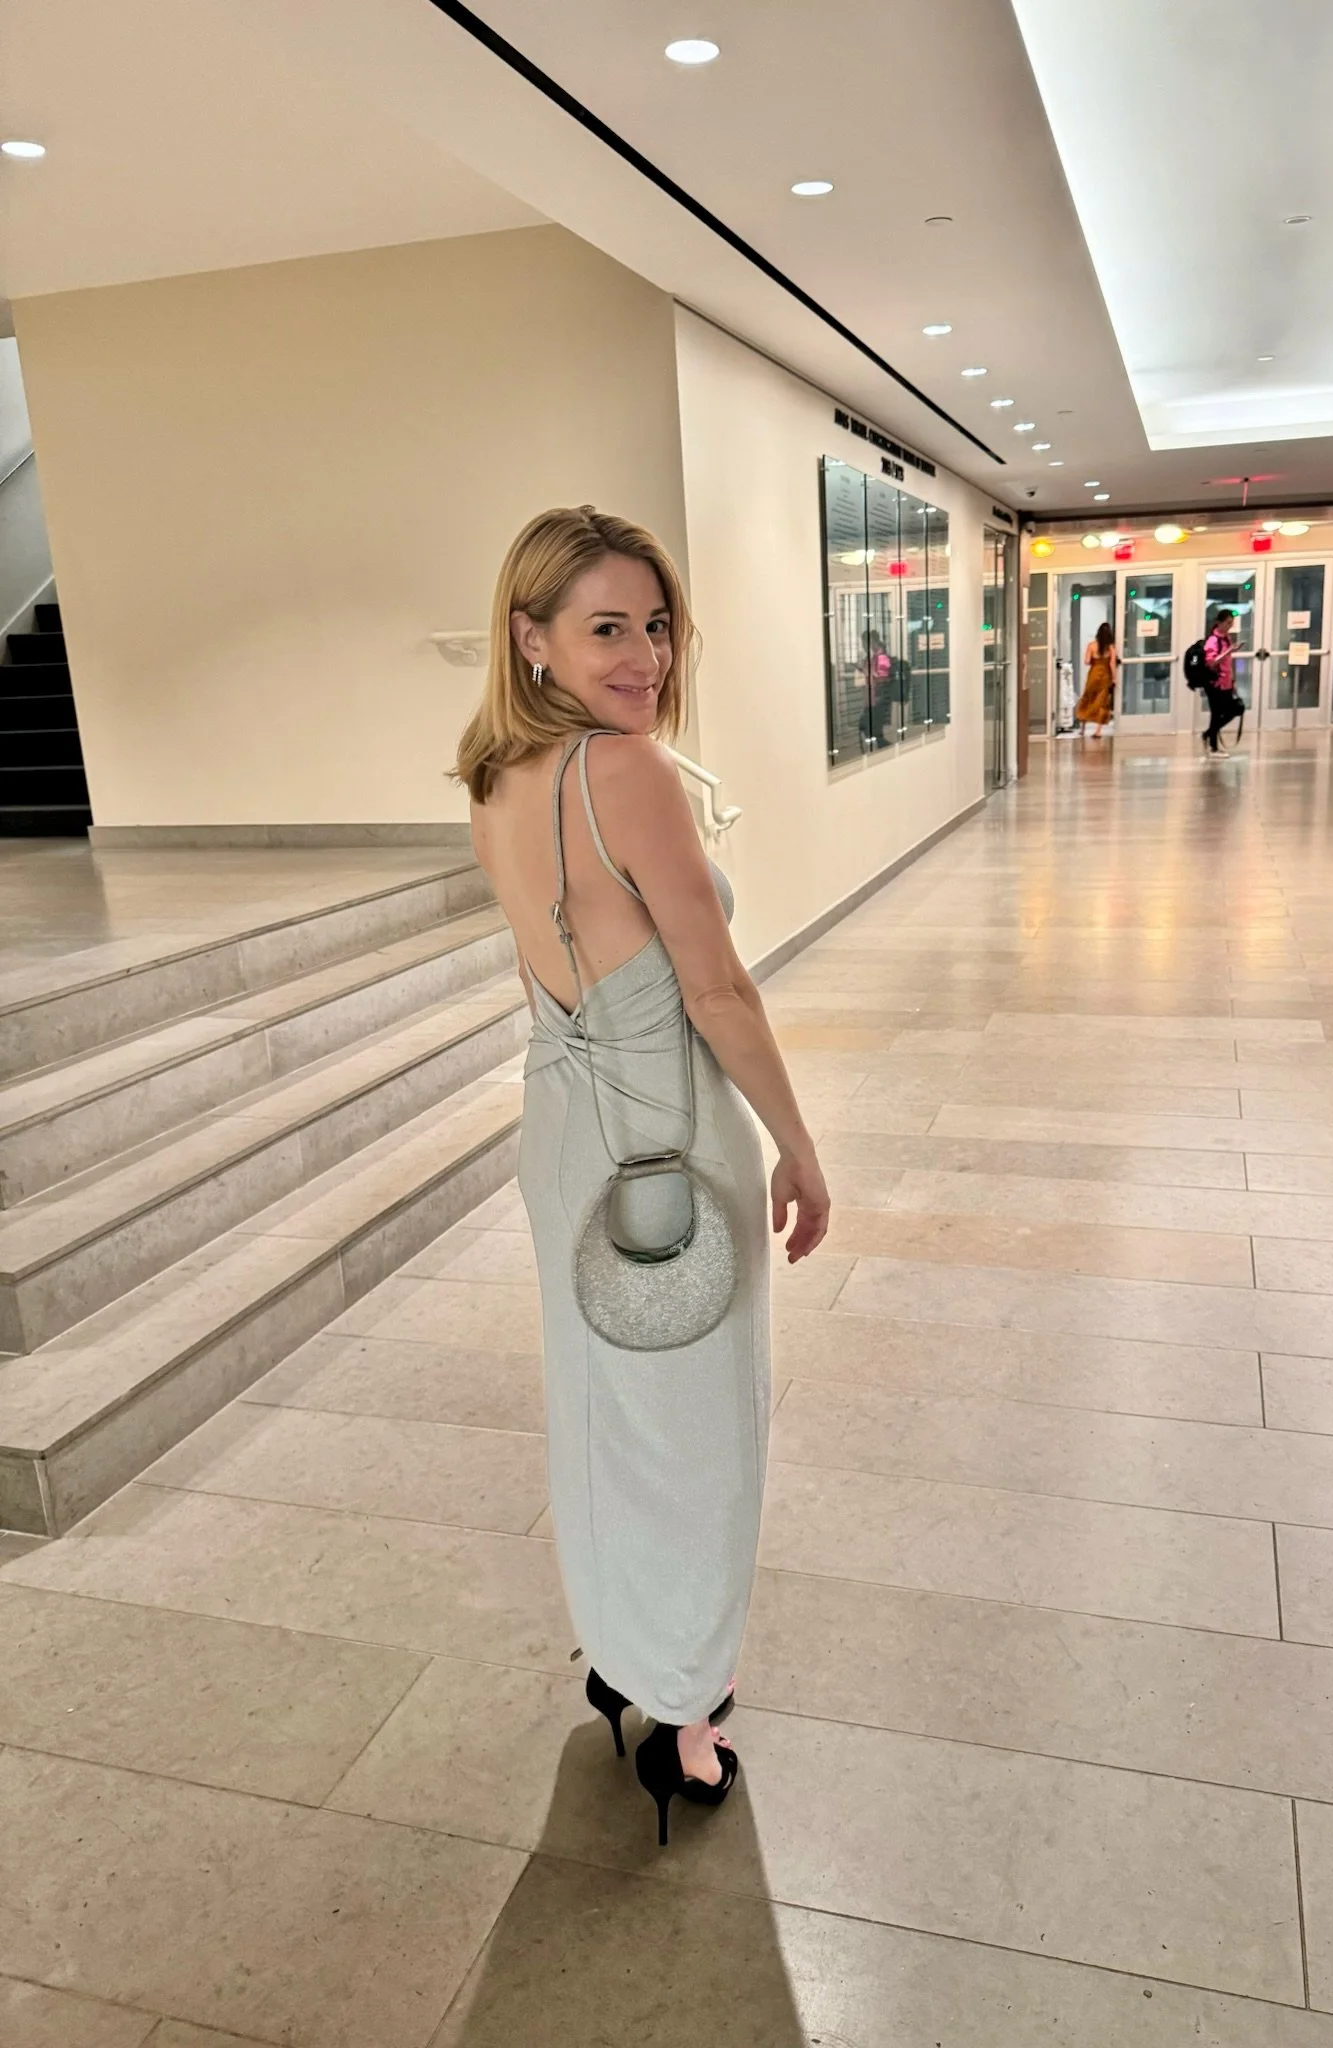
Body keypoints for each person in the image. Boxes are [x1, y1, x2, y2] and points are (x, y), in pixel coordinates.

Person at [455, 505, 830, 1843]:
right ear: (532, 637)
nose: (646, 656)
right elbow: (716, 991)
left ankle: (623, 1651)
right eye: (607, 626)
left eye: (657, 624)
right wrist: (799, 1145)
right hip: (665, 1140)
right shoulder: (626, 771)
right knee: (697, 1429)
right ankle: (682, 1708)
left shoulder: (498, 773)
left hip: (566, 1130)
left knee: (606, 1408)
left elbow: (544, 969)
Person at [1201, 608, 1245, 751]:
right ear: (1219, 622)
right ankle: (1213, 745)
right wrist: (1229, 651)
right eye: (1227, 623)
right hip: (1214, 683)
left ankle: (1209, 734)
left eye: (1231, 623)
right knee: (1216, 713)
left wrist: (1232, 680)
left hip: (1226, 682)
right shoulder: (1212, 641)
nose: (1229, 626)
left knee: (1235, 709)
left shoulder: (1226, 638)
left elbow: (1228, 662)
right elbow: (1211, 662)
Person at [1074, 621, 1117, 735]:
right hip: (1105, 676)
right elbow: (1112, 664)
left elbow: (1087, 661)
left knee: (1088, 698)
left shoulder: (1091, 645)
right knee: (1102, 702)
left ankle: (1082, 728)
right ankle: (1098, 731)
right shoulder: (1111, 648)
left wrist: (1095, 660)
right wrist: (1114, 678)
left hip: (1093, 674)